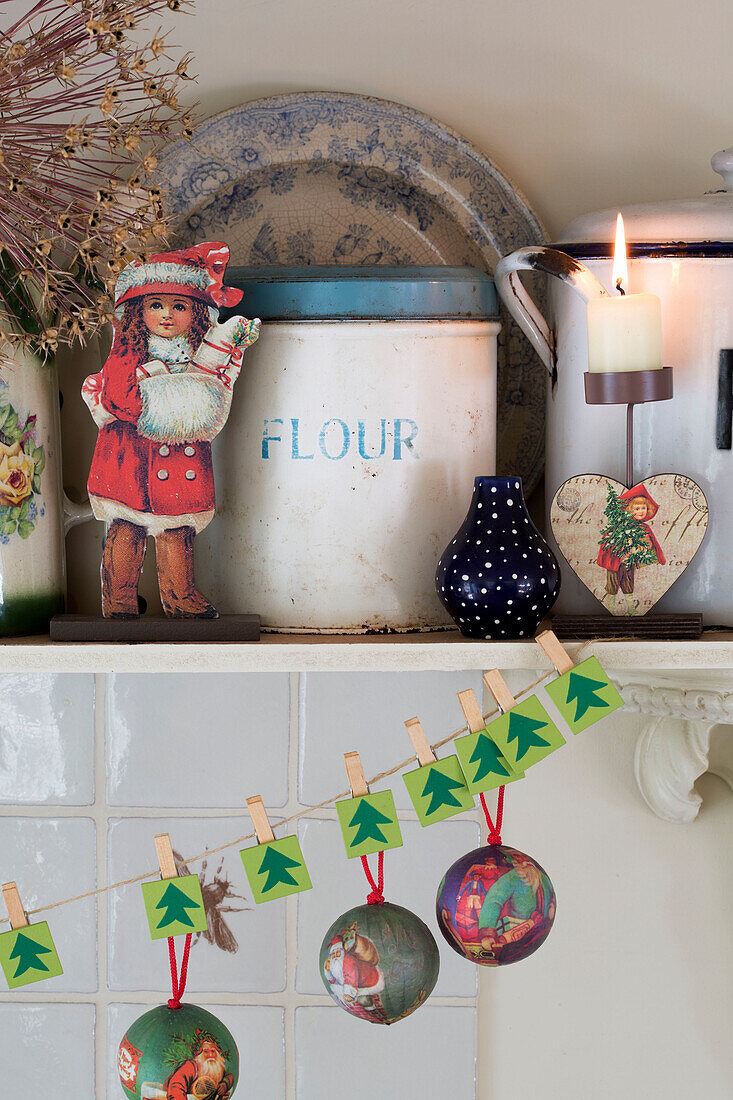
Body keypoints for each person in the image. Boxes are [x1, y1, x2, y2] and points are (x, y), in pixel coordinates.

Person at [82, 242, 259, 618]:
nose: (166, 315)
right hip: (131, 454)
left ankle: (181, 595)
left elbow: (215, 391)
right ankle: (120, 599)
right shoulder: (128, 350)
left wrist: (224, 357)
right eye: (156, 305)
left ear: (194, 313)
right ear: (138, 310)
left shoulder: (199, 352)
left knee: (178, 528)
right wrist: (162, 393)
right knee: (127, 525)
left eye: (179, 306)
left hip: (181, 454)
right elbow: (120, 399)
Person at [597, 483, 665, 614]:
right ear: (630, 510)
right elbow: (609, 541)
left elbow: (649, 543)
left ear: (648, 509)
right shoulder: (620, 525)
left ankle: (630, 608)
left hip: (629, 562)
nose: (640, 511)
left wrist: (639, 547)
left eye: (643, 508)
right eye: (637, 508)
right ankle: (610, 609)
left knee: (628, 584)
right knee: (612, 584)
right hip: (615, 562)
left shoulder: (644, 528)